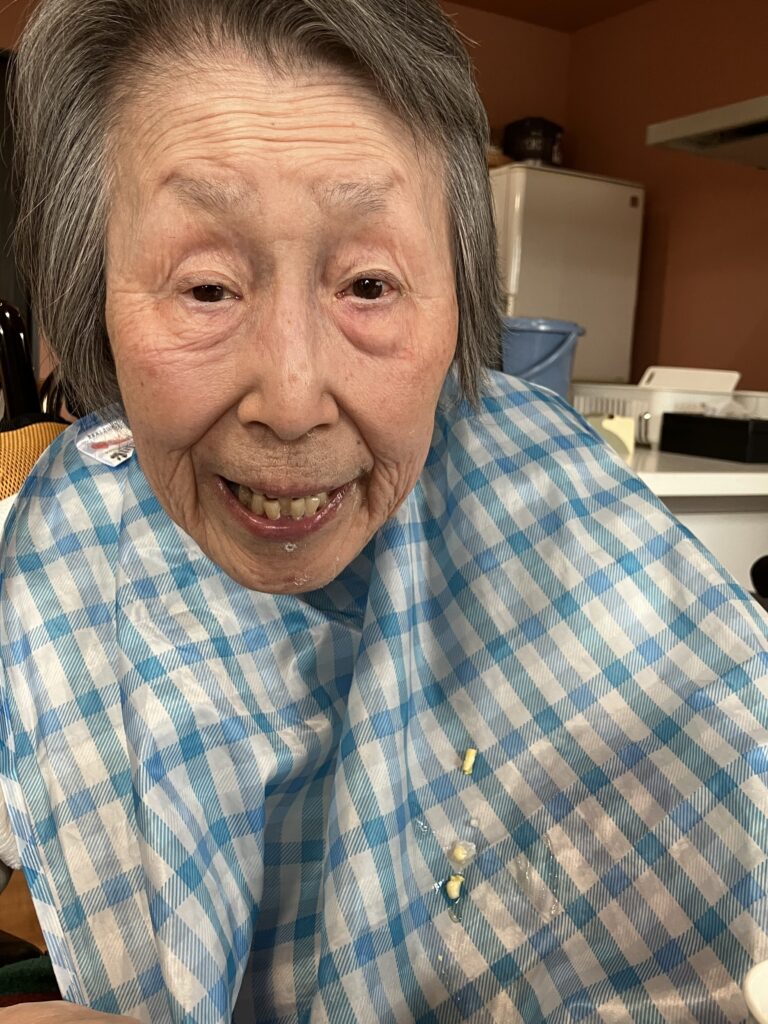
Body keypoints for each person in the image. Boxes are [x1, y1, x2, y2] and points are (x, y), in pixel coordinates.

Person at [0, 0, 766, 1022]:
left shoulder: (555, 501)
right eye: (207, 288)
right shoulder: (58, 558)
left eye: (369, 283)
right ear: (93, 292)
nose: (291, 400)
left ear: (460, 297)